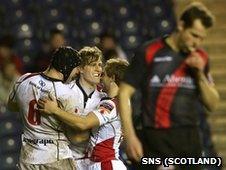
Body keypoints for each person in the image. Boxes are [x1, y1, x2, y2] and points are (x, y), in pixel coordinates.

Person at [118, 2, 220, 170]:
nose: (197, 43)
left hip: (189, 139)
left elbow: (212, 104)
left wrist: (200, 74)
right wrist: (130, 136)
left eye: (202, 38)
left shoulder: (200, 57)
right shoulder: (150, 51)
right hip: (157, 139)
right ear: (181, 25)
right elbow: (124, 93)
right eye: (194, 35)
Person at [37, 58, 129, 170]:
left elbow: (84, 124)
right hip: (104, 162)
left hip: (106, 164)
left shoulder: (111, 105)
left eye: (104, 75)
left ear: (112, 78)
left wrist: (55, 110)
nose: (101, 77)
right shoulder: (123, 102)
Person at [7, 46, 81, 170]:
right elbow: (75, 134)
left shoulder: (24, 79)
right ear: (67, 67)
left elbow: (11, 105)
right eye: (76, 69)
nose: (76, 74)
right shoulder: (66, 94)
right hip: (56, 158)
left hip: (27, 159)